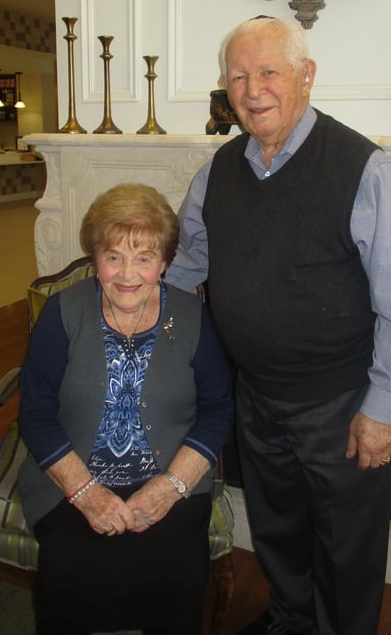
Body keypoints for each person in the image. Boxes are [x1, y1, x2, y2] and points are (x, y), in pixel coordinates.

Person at [164, 17, 391, 635]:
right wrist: (139, 323)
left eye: (269, 72)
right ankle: (290, 620)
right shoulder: (218, 171)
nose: (253, 89)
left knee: (347, 549)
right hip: (255, 394)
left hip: (340, 404)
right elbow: (187, 266)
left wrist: (382, 407)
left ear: (306, 77)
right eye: (238, 76)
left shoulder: (363, 168)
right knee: (277, 527)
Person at [18, 183, 233, 635]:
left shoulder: (193, 319)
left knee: (173, 576)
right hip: (72, 487)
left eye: (144, 257)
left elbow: (217, 409)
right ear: (96, 259)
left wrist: (170, 487)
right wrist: (87, 495)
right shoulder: (63, 314)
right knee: (70, 578)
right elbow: (35, 414)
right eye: (113, 256)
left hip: (170, 483)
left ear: (164, 263)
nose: (127, 274)